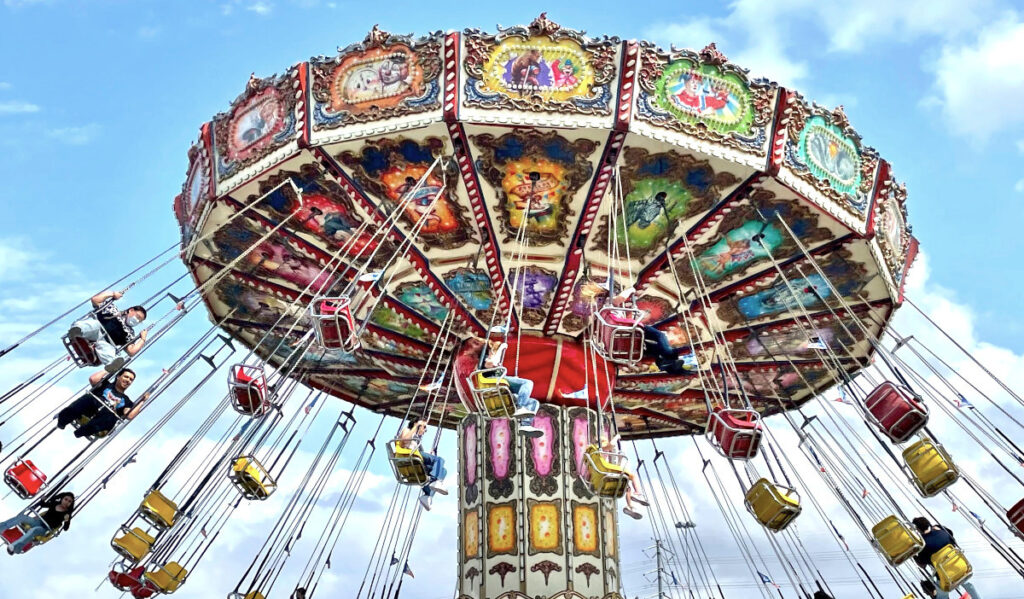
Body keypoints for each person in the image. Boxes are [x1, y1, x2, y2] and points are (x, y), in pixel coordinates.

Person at [67, 290, 147, 373]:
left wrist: (143, 339)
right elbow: (95, 300)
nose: (136, 320)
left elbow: (131, 351)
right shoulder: (112, 309)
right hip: (96, 330)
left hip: (106, 343)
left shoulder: (130, 333)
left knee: (108, 349)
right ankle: (78, 330)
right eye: (137, 317)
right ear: (131, 310)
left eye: (139, 321)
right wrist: (112, 294)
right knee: (94, 325)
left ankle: (112, 363)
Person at [56, 369, 149, 439]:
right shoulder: (106, 384)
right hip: (88, 411)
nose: (128, 380)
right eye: (126, 377)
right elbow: (93, 379)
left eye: (131, 379)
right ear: (118, 376)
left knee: (110, 412)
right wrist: (108, 369)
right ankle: (63, 420)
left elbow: (129, 415)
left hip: (101, 423)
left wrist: (142, 401)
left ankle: (85, 430)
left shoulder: (126, 401)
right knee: (89, 398)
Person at [481, 340, 543, 438]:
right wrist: (501, 349)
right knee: (528, 383)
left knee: (534, 402)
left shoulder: (495, 362)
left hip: (500, 385)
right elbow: (492, 363)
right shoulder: (485, 359)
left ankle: (525, 425)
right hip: (492, 382)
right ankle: (520, 407)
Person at [913, 518, 982, 598]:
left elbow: (922, 565)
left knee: (942, 595)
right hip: (961, 568)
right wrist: (938, 527)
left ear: (917, 529)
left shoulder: (923, 545)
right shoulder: (943, 533)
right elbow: (952, 537)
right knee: (967, 584)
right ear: (928, 524)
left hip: (945, 576)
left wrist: (914, 554)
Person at [397, 419, 448, 511]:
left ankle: (427, 495)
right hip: (410, 455)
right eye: (424, 428)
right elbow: (404, 440)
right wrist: (416, 426)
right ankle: (434, 480)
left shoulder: (416, 438)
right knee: (440, 460)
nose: (425, 431)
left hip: (416, 457)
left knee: (443, 471)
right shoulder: (407, 430)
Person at [1, 492, 74, 554]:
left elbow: (65, 528)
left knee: (34, 530)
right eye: (66, 499)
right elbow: (43, 505)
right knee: (22, 517)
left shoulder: (67, 514)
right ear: (62, 499)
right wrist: (42, 500)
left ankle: (16, 547)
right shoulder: (55, 504)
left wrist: (67, 521)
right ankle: (2, 527)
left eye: (69, 501)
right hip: (38, 521)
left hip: (43, 528)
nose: (66, 502)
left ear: (71, 504)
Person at [599, 433, 648, 520]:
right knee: (633, 476)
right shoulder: (601, 449)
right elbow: (610, 446)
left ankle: (630, 506)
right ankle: (637, 493)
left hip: (606, 470)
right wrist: (617, 437)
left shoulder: (601, 452)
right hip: (606, 470)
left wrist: (619, 459)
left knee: (627, 488)